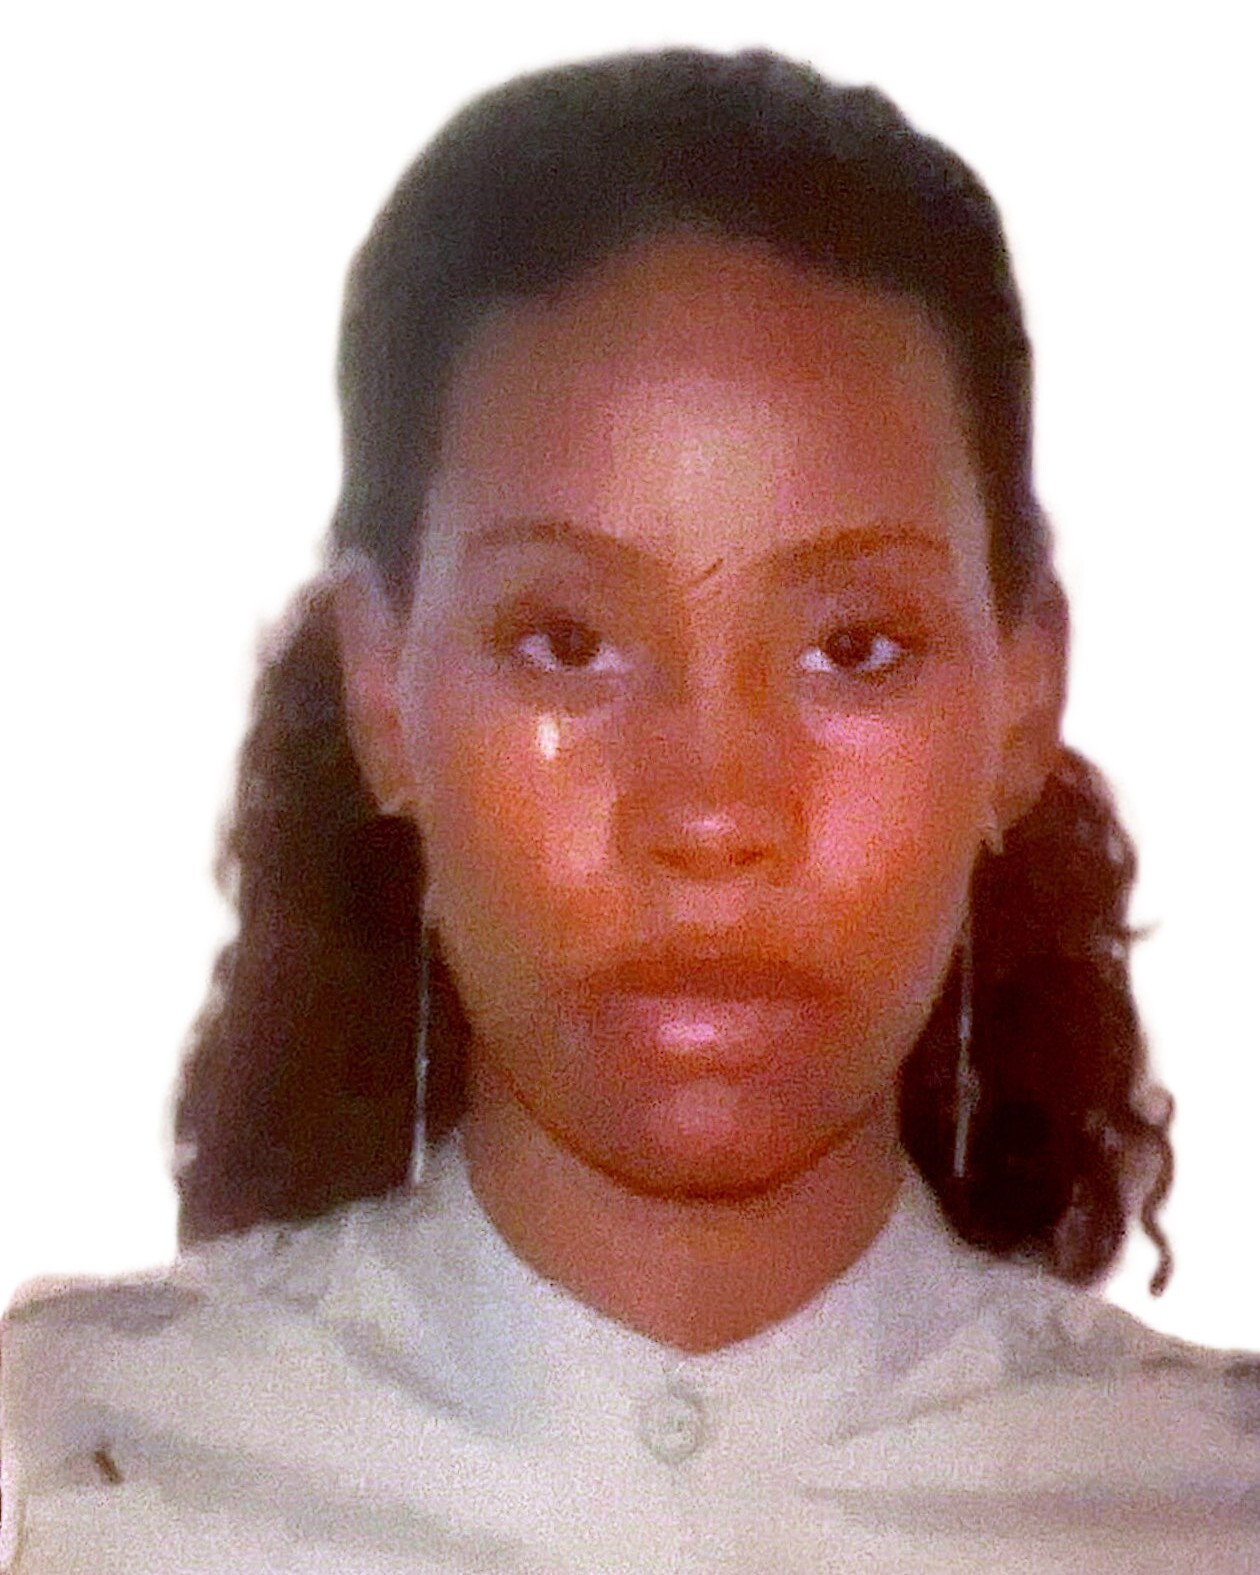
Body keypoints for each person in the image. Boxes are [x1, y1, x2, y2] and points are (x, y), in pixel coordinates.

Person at [2, 45, 1257, 1573]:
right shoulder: (70, 1475)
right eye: (564, 642)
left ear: (1020, 707)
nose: (712, 816)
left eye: (855, 650)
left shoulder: (1211, 1510)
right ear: (384, 697)